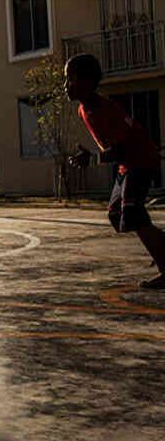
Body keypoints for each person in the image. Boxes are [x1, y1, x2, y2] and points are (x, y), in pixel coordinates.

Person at [65, 53, 165, 290]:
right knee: (115, 214)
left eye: (70, 79)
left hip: (141, 160)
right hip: (127, 164)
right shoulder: (83, 110)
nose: (65, 85)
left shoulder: (105, 109)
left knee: (132, 212)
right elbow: (115, 150)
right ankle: (161, 245)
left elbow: (123, 148)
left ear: (87, 83)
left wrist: (93, 158)